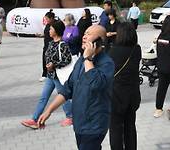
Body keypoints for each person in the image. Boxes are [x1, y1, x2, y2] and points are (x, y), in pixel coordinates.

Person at [37, 24, 115, 149]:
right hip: (80, 122)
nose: (84, 36)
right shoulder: (81, 61)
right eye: (84, 33)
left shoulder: (106, 63)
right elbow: (68, 89)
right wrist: (48, 111)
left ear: (99, 41)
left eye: (89, 34)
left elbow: (95, 84)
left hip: (94, 124)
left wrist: (88, 59)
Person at [22, 19, 73, 128]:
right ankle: (34, 119)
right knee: (43, 97)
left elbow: (67, 60)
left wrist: (54, 65)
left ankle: (70, 117)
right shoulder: (50, 43)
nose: (49, 30)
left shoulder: (63, 44)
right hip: (50, 76)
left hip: (59, 76)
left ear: (57, 30)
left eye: (51, 29)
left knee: (63, 97)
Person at [109, 22, 141, 150]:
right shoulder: (136, 49)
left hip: (116, 95)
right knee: (130, 127)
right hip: (132, 94)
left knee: (115, 129)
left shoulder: (112, 51)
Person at [40, 10, 56, 81]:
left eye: (47, 19)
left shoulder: (56, 24)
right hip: (46, 45)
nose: (46, 20)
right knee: (44, 59)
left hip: (53, 45)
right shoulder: (48, 25)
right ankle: (44, 74)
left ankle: (52, 74)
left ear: (52, 18)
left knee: (52, 60)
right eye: (45, 19)